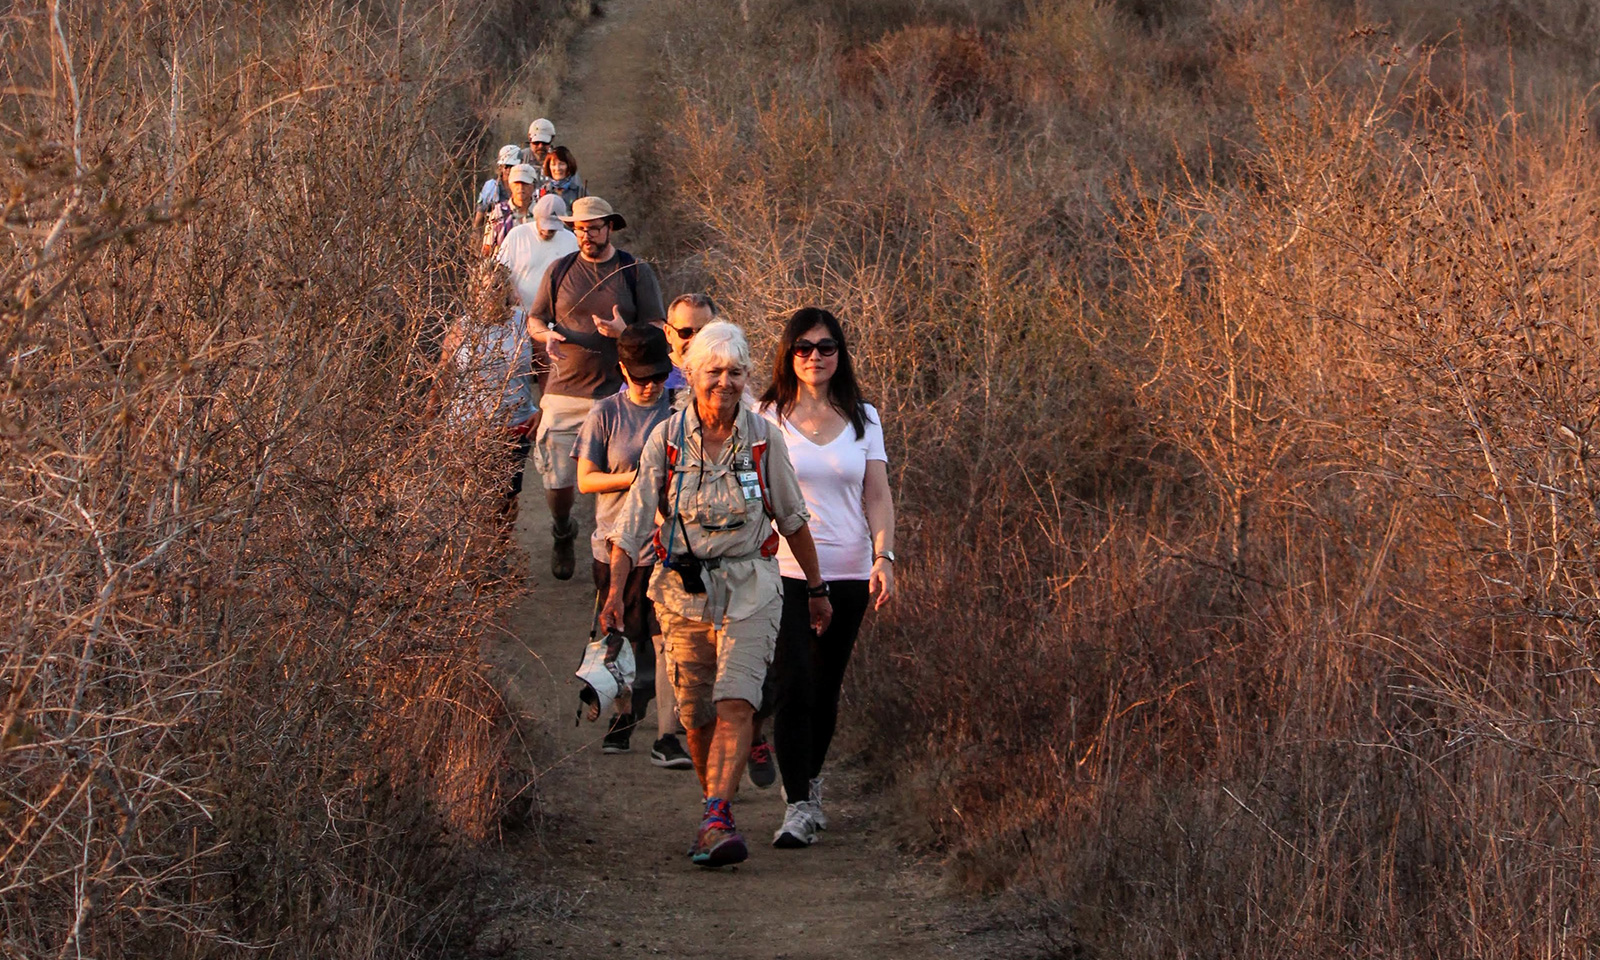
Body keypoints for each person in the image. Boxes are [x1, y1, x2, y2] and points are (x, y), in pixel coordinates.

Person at [603, 320, 834, 869]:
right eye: (713, 372)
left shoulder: (762, 438)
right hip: (682, 596)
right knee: (696, 714)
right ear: (692, 375)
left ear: (746, 376)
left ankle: (716, 816)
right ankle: (715, 813)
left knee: (737, 700)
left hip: (752, 586)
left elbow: (793, 518)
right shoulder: (667, 439)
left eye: (735, 372)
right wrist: (614, 592)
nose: (725, 383)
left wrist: (818, 589)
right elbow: (633, 524)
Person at [759, 307, 896, 849]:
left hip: (848, 568)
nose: (815, 357)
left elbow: (877, 494)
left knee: (824, 686)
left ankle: (810, 786)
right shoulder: (765, 414)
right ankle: (796, 806)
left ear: (841, 354)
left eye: (827, 347)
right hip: (782, 569)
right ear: (788, 354)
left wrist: (885, 558)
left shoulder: (864, 417)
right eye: (803, 348)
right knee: (793, 685)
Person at [526, 196, 666, 581]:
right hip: (563, 389)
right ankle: (562, 529)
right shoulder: (559, 270)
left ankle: (618, 566)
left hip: (619, 392)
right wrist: (546, 336)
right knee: (556, 480)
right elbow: (535, 319)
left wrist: (628, 333)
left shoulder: (634, 271)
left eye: (594, 227)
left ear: (610, 227)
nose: (586, 234)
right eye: (580, 228)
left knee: (623, 481)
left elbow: (659, 326)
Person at [574, 325, 690, 765]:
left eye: (658, 375)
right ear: (623, 369)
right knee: (618, 635)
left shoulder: (681, 413)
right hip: (613, 545)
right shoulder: (605, 413)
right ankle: (622, 717)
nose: (651, 384)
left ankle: (667, 735)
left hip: (665, 547)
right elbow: (586, 480)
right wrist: (641, 477)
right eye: (641, 376)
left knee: (665, 642)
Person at [429, 262, 538, 535]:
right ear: (473, 291)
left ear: (506, 290)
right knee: (467, 496)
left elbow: (545, 364)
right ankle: (471, 552)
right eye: (482, 288)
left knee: (506, 496)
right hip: (467, 426)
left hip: (514, 422)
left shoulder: (524, 323)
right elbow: (444, 373)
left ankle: (497, 555)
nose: (489, 294)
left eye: (496, 287)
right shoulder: (462, 328)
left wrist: (546, 405)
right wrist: (431, 412)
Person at [497, 194, 578, 310]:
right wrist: (509, 290)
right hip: (518, 313)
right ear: (536, 217)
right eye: (544, 224)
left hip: (553, 316)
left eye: (552, 228)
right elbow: (499, 269)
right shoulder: (517, 235)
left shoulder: (571, 241)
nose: (547, 231)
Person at [481, 164, 541, 257]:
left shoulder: (541, 212)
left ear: (533, 185)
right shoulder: (499, 212)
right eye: (516, 183)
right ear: (510, 185)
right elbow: (487, 248)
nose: (520, 188)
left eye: (525, 183)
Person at [473, 144, 522, 244]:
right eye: (506, 166)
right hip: (495, 241)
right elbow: (478, 220)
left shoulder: (525, 188)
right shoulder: (491, 188)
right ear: (500, 167)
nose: (509, 170)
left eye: (513, 167)